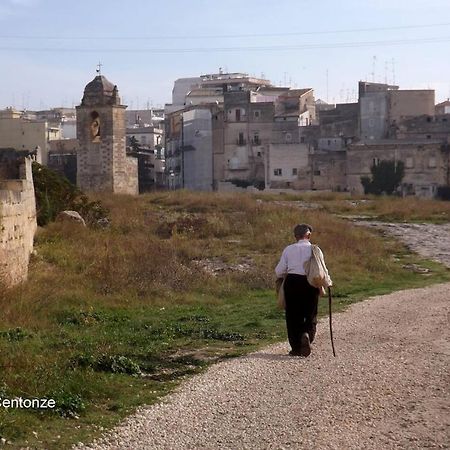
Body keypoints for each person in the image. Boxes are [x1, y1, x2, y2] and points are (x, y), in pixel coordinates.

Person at [275, 224, 331, 357]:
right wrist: (328, 282)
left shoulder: (288, 249)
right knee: (310, 313)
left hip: (292, 283)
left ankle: (295, 348)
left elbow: (279, 270)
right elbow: (322, 268)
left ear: (295, 236)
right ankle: (307, 335)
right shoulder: (315, 249)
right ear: (309, 235)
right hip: (310, 283)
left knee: (293, 316)